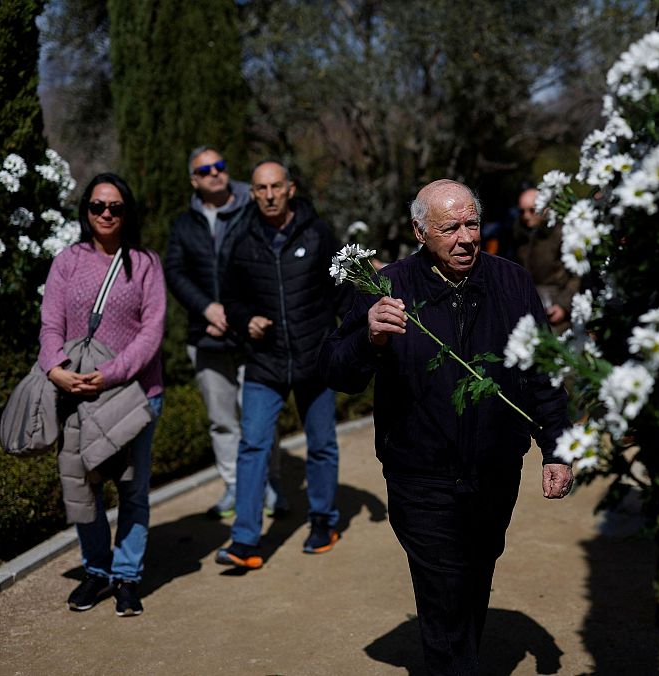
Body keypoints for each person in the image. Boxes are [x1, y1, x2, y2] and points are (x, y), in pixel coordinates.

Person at [321, 179, 573, 674]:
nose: (465, 238)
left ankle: (462, 660)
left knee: (476, 575)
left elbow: (542, 370)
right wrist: (368, 336)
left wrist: (557, 448)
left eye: (472, 224)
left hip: (495, 469)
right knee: (442, 588)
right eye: (450, 228)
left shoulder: (511, 282)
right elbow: (337, 371)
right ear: (420, 231)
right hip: (421, 474)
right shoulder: (386, 287)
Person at [39, 173, 165, 616]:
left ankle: (127, 576)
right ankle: (97, 570)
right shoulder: (67, 261)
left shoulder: (145, 263)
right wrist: (54, 368)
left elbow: (152, 332)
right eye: (97, 207)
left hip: (134, 394)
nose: (106, 214)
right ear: (86, 211)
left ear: (126, 212)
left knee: (132, 490)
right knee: (83, 487)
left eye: (114, 207)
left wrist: (109, 374)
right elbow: (51, 321)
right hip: (77, 394)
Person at [215, 160, 351, 568]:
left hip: (315, 357)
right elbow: (231, 297)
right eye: (261, 188)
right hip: (265, 361)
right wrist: (244, 320)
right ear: (252, 193)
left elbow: (342, 291)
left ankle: (323, 522)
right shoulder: (240, 238)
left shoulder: (318, 231)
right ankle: (245, 541)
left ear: (290, 188)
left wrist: (357, 341)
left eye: (276, 186)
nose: (270, 195)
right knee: (253, 445)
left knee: (321, 445)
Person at [165, 146, 286, 519]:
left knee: (260, 418)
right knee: (222, 420)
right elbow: (175, 273)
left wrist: (241, 313)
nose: (214, 173)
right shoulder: (184, 225)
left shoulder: (254, 210)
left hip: (252, 334)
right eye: (205, 170)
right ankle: (234, 487)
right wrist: (207, 308)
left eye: (220, 166)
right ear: (194, 180)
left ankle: (268, 485)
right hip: (206, 335)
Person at [514, 187, 580, 333]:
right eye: (521, 211)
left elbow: (577, 275)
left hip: (557, 311)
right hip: (528, 309)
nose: (526, 216)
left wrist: (564, 306)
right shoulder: (519, 238)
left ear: (544, 209)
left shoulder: (561, 234)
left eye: (532, 210)